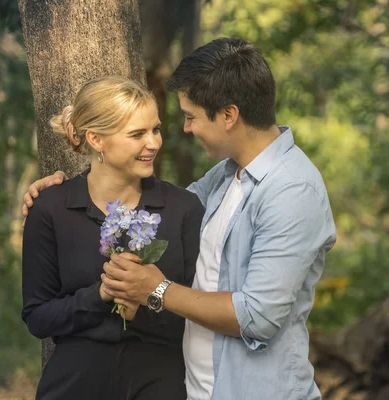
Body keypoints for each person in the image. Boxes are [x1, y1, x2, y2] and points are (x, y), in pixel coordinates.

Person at [23, 38, 336, 400]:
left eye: (190, 117)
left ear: (229, 115)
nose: (183, 130)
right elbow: (148, 202)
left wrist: (156, 290)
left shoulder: (291, 191)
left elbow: (258, 317)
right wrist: (59, 189)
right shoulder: (223, 178)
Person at [21, 75, 204, 400]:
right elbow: (37, 318)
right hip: (73, 387)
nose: (154, 143)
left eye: (156, 129)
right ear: (96, 139)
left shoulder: (184, 209)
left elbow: (200, 313)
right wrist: (102, 295)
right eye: (137, 134)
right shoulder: (50, 208)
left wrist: (147, 301)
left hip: (161, 385)